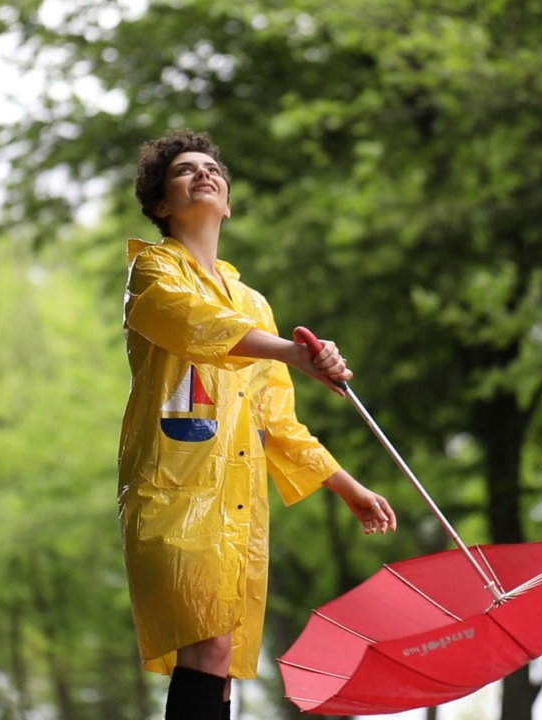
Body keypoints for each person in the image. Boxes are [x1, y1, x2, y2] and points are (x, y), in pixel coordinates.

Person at [118, 129, 398, 720]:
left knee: (221, 668)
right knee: (209, 643)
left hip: (239, 505)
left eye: (213, 168)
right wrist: (295, 353)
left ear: (228, 201)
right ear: (161, 205)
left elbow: (278, 424)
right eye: (185, 170)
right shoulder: (151, 272)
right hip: (173, 494)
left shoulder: (255, 304)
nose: (204, 173)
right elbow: (196, 326)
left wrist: (347, 486)